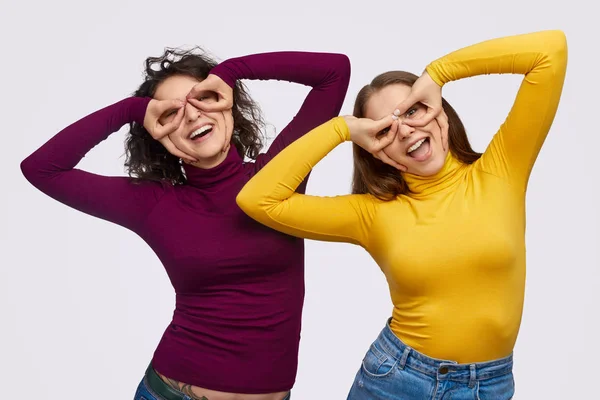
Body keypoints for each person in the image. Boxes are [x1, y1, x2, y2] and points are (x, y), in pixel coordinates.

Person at [236, 30, 568, 399]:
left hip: (490, 385)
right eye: (385, 129)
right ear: (375, 150)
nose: (406, 130)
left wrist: (439, 73)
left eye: (414, 110)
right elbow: (258, 200)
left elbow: (549, 51)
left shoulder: (502, 170)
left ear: (439, 109)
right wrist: (341, 129)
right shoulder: (372, 213)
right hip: (397, 381)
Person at [20, 47, 351, 400]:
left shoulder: (279, 175)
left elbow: (334, 71)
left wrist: (232, 71)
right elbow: (41, 168)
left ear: (229, 105)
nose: (192, 116)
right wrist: (132, 110)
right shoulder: (154, 203)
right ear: (157, 132)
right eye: (172, 112)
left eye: (204, 98)